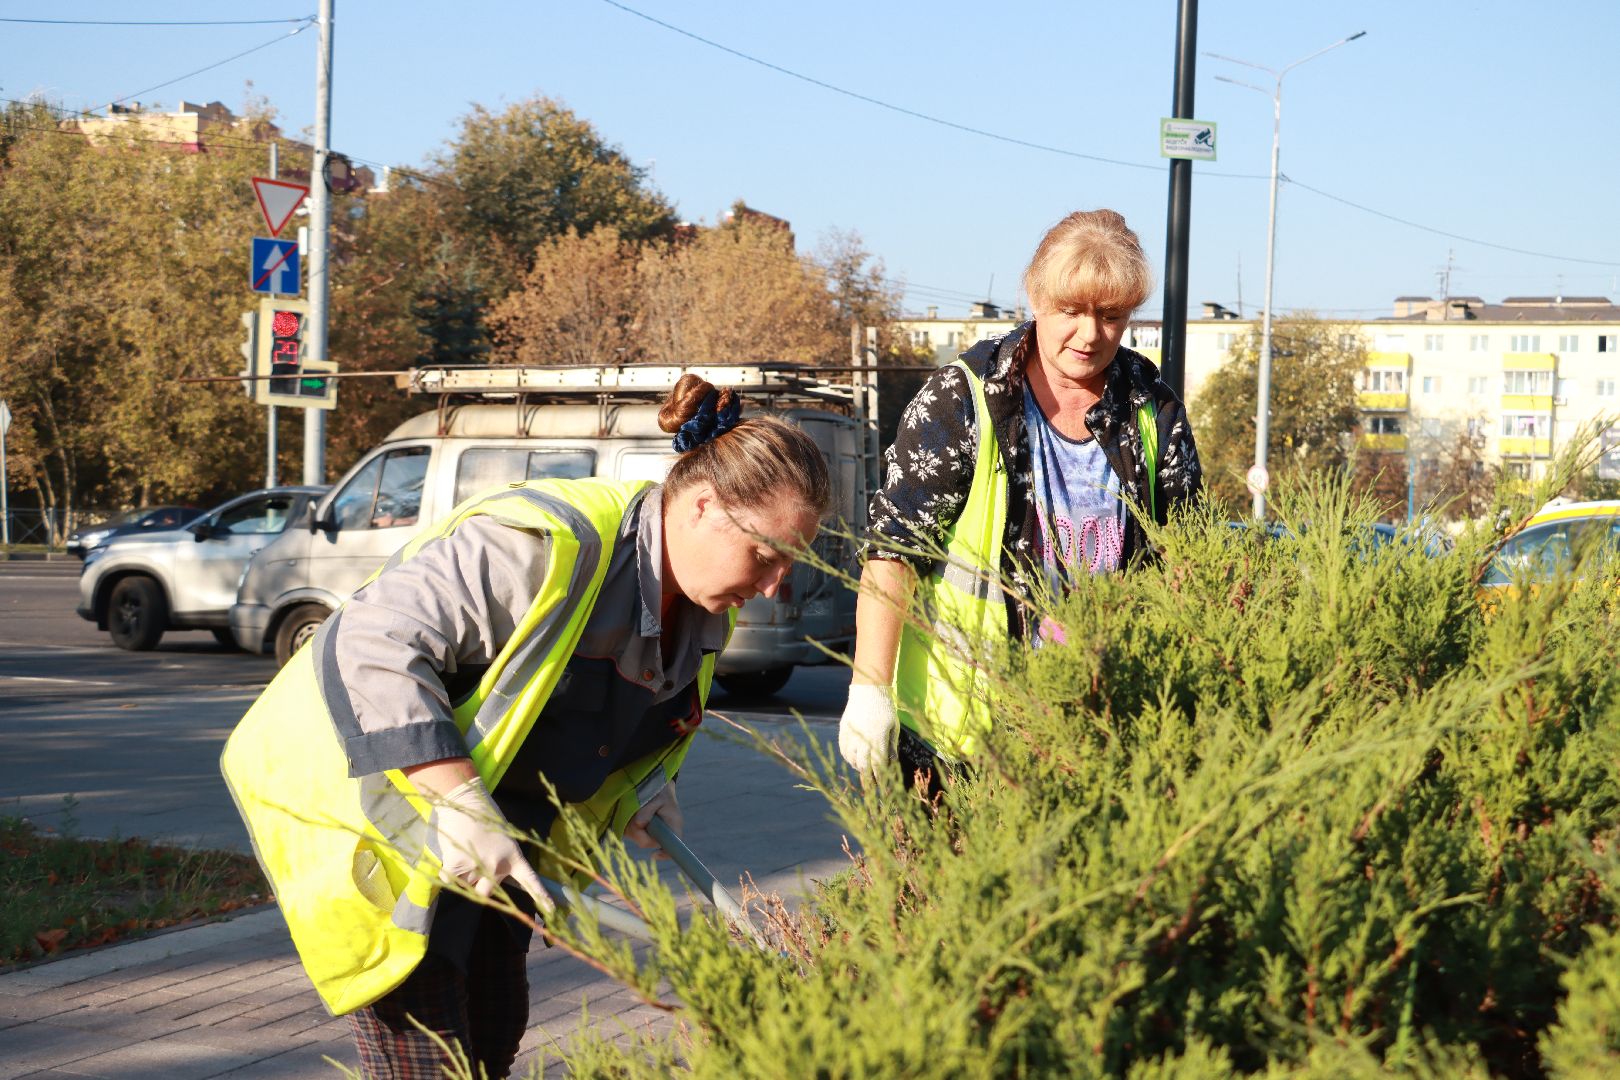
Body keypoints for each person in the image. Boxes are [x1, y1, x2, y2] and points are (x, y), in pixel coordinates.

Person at [222, 375, 829, 1079]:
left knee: (496, 1032)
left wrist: (646, 784)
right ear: (701, 507)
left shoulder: (700, 610)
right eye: (765, 554)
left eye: (792, 563)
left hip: (497, 834)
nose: (773, 585)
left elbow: (618, 717)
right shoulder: (545, 546)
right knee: (433, 1061)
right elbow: (371, 644)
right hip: (379, 810)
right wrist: (456, 802)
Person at [838, 209, 1202, 786]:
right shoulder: (966, 397)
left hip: (1094, 738)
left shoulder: (1151, 408)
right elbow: (893, 550)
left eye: (1111, 316)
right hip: (955, 744)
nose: (1090, 334)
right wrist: (869, 688)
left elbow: (1186, 561)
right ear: (1034, 297)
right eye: (1071, 311)